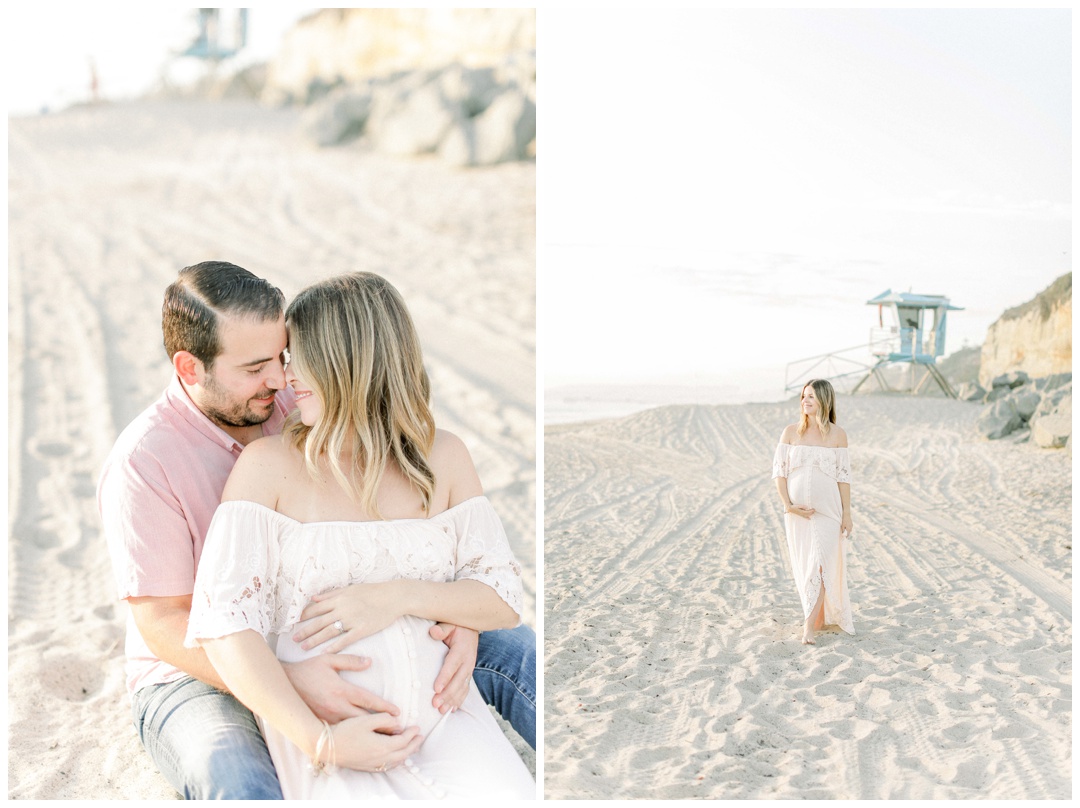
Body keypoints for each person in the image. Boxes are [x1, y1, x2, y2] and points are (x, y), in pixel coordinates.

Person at [97, 261, 535, 799]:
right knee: (233, 775)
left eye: (284, 357)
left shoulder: (303, 399)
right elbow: (167, 622)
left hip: (389, 631)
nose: (280, 381)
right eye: (257, 367)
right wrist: (290, 681)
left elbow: (378, 408)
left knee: (520, 655)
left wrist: (456, 612)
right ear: (191, 367)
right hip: (197, 669)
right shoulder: (147, 461)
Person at [771, 378, 855, 645]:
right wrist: (788, 505)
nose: (805, 401)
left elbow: (844, 477)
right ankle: (814, 616)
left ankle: (808, 628)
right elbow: (779, 473)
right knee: (806, 564)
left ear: (824, 400)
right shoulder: (790, 432)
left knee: (821, 564)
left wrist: (847, 514)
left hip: (828, 510)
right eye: (803, 396)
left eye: (811, 397)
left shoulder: (838, 434)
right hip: (798, 514)